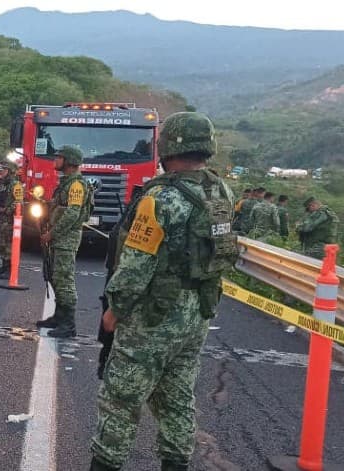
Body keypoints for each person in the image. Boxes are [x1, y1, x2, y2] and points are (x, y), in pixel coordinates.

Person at [89, 112, 237, 471]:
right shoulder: (221, 191)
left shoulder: (160, 198)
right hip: (198, 311)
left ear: (168, 146)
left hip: (154, 315)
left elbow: (137, 264)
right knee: (177, 397)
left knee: (121, 399)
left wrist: (114, 310)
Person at [35, 146, 90, 338]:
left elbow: (72, 213)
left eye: (59, 158)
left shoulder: (76, 185)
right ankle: (58, 317)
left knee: (64, 280)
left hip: (66, 239)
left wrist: (52, 234)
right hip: (59, 238)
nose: (55, 161)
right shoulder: (66, 183)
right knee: (55, 277)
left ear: (69, 161)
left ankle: (68, 324)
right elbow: (61, 207)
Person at [0, 164, 20, 278]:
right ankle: (4, 265)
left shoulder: (16, 185)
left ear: (9, 171)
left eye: (3, 170)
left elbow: (19, 202)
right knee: (1, 244)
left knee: (9, 245)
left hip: (9, 219)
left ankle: (10, 269)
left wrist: (7, 210)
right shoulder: (2, 184)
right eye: (0, 170)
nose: (1, 172)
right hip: (0, 219)